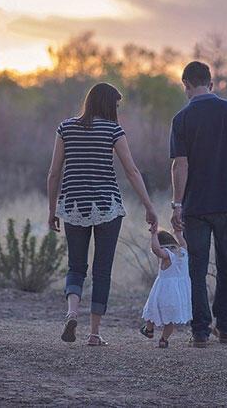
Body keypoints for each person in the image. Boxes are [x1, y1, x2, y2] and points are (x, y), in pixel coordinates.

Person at [47, 82, 158, 346]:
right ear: (108, 104)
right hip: (107, 206)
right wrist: (149, 206)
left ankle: (72, 312)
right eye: (116, 105)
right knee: (102, 270)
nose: (118, 109)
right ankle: (94, 333)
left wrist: (52, 210)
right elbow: (131, 171)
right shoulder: (113, 130)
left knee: (76, 265)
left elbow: (53, 173)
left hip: (73, 205)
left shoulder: (66, 128)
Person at [169, 61, 227, 348]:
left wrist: (176, 204)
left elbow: (179, 165)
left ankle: (200, 331)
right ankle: (225, 327)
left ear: (186, 84)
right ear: (211, 83)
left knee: (196, 268)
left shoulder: (182, 118)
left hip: (196, 207)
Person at [140, 228, 192, 348]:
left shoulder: (167, 255)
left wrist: (153, 235)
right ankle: (163, 339)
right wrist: (178, 233)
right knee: (170, 320)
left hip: (164, 291)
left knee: (152, 309)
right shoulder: (183, 252)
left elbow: (156, 250)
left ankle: (149, 330)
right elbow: (183, 243)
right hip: (179, 294)